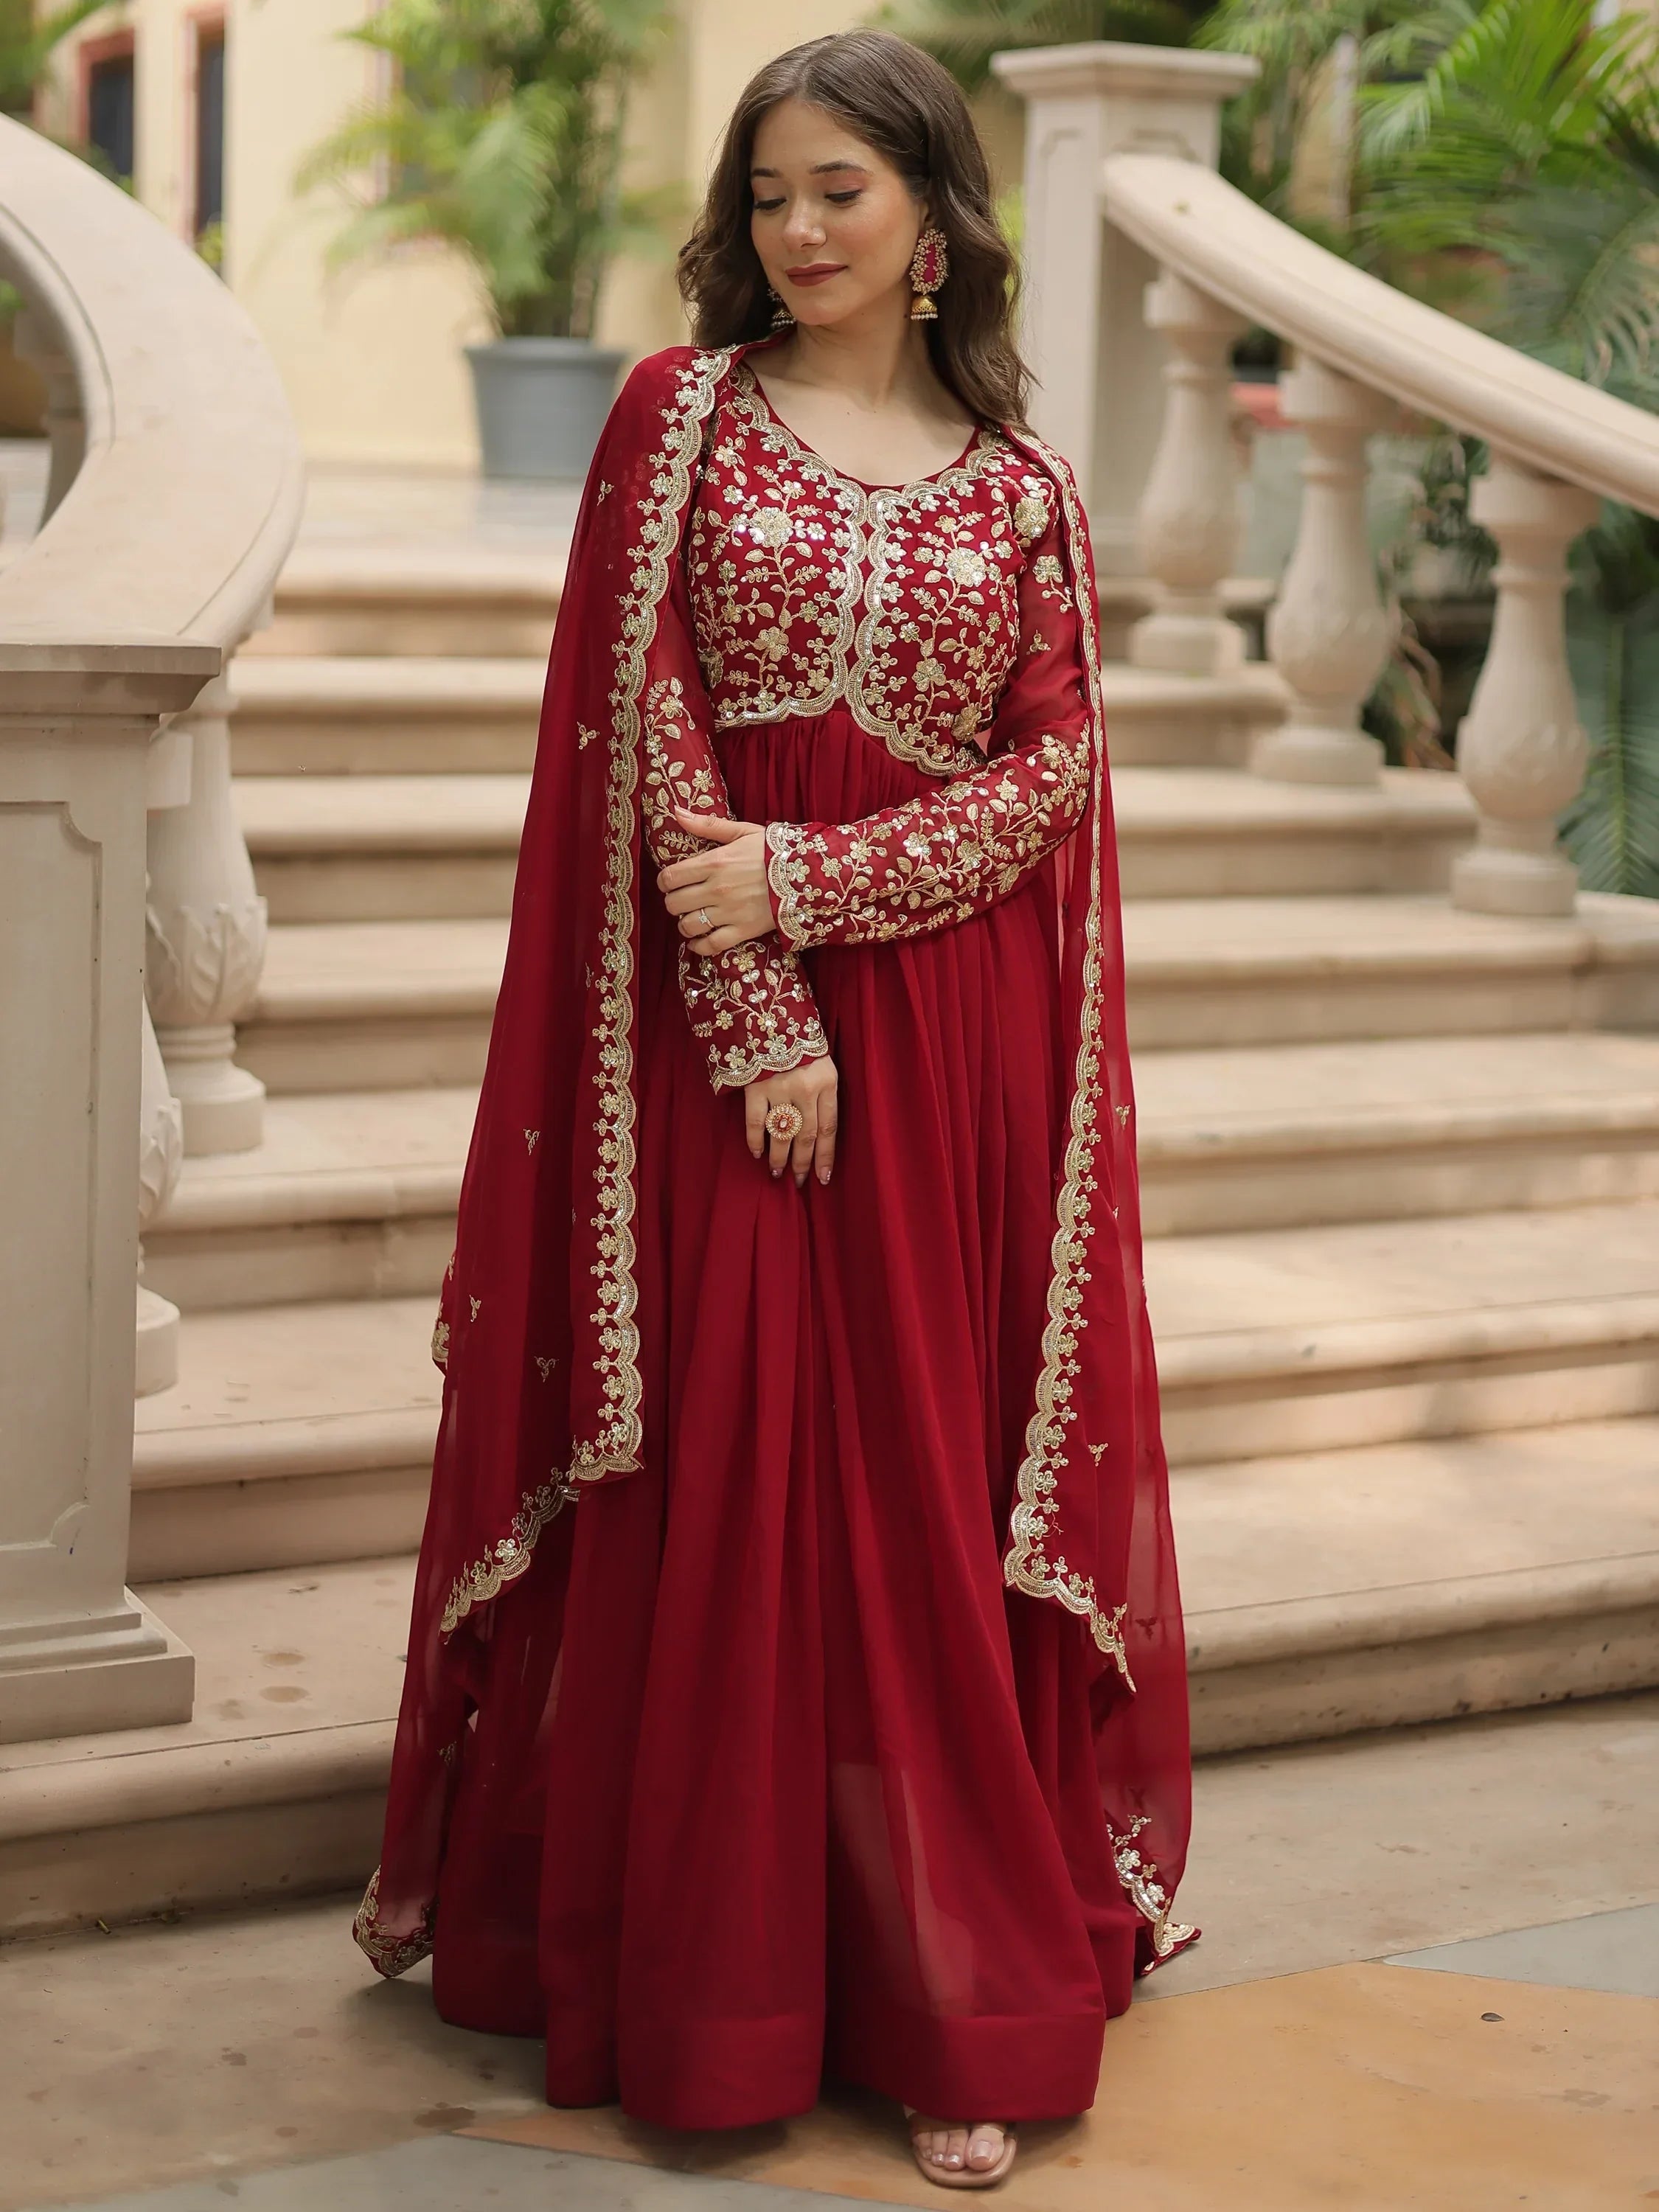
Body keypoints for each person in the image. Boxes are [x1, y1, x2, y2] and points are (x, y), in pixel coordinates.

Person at [353, 27, 1195, 2191]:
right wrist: (755, 1010)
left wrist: (830, 884)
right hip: (735, 1063)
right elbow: (643, 734)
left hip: (955, 1049)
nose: (796, 230)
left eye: (839, 190)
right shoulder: (682, 417)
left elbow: (1049, 775)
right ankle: (716, 1979)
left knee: (919, 1486)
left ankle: (947, 1996)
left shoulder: (1022, 489)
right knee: (733, 1465)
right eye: (768, 194)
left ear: (933, 217)